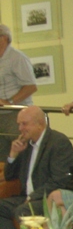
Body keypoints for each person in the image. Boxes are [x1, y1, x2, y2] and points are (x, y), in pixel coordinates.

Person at [0, 106, 73, 229]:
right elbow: (10, 176)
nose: (20, 129)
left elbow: (60, 180)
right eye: (19, 124)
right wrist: (13, 154)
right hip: (26, 197)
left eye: (24, 124)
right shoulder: (25, 145)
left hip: (47, 198)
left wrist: (32, 196)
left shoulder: (58, 142)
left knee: (24, 211)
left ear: (40, 124)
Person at [0, 24, 37, 159]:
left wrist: (9, 102)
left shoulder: (17, 57)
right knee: (4, 158)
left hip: (16, 115)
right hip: (1, 116)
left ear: (4, 38)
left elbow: (31, 86)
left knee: (21, 156)